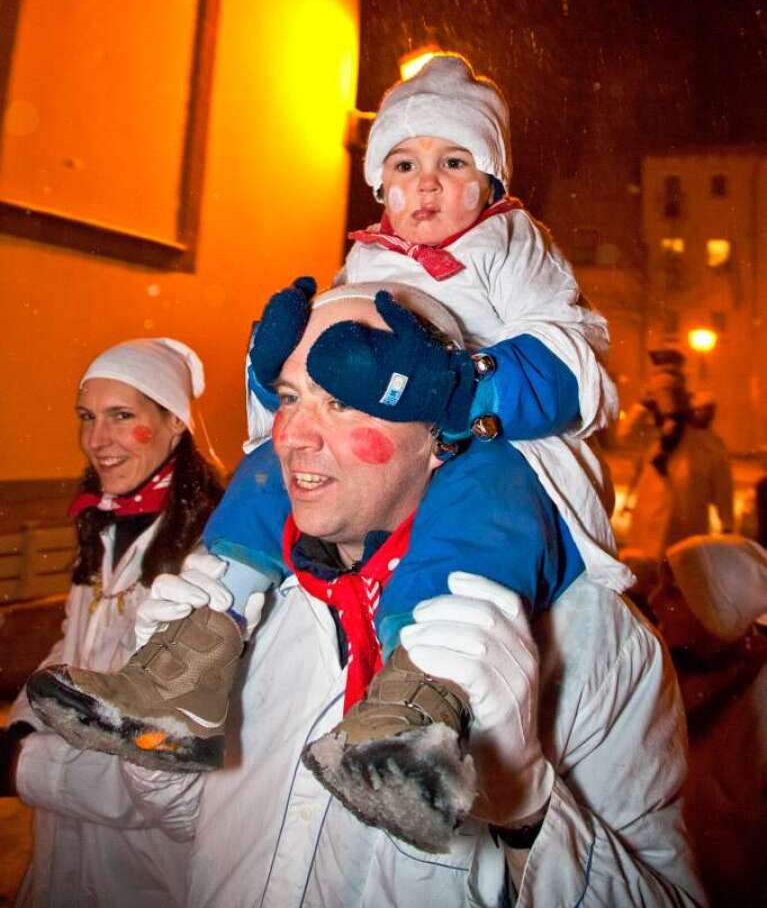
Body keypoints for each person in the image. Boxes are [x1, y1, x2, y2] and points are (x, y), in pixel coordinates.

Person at [59, 288, 703, 906]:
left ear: (439, 437)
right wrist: (160, 733)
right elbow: (180, 825)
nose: (292, 437)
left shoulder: (593, 643)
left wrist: (525, 809)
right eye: (290, 397)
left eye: (343, 403)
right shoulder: (250, 604)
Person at [4, 338, 223, 908]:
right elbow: (73, 649)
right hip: (67, 846)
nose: (96, 440)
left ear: (175, 422)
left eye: (122, 416)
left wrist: (24, 768)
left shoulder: (208, 556)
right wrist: (25, 722)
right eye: (88, 417)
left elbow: (164, 763)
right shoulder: (105, 523)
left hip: (147, 868)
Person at [650, 534, 767, 907]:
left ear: (713, 609)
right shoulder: (678, 680)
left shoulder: (754, 702)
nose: (653, 601)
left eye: (674, 593)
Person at [620, 354, 733, 563]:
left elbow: (722, 486)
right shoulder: (657, 437)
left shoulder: (708, 445)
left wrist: (727, 524)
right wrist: (643, 405)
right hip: (648, 535)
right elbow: (625, 435)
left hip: (685, 535)